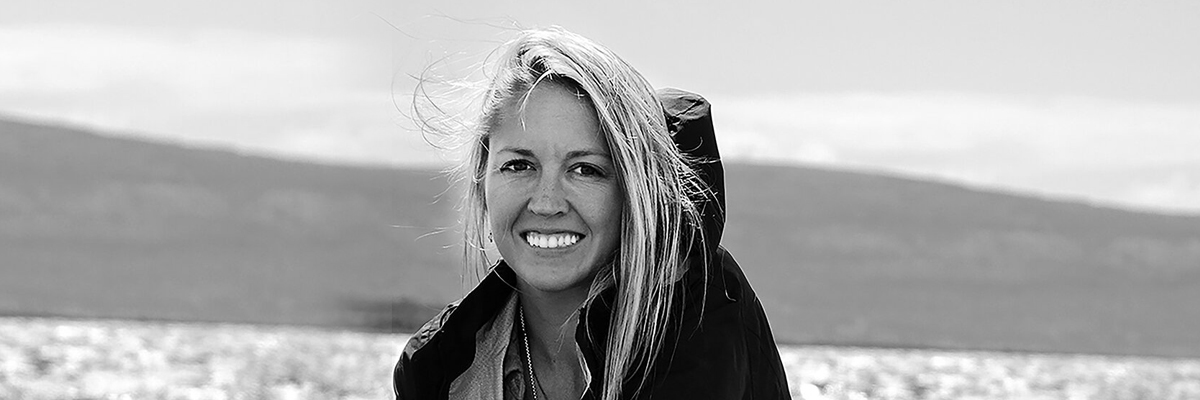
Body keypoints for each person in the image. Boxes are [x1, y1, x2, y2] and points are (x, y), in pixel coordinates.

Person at [393, 27, 789, 400]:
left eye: (586, 170)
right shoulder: (436, 370)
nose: (547, 203)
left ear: (636, 191)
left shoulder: (704, 314)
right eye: (519, 165)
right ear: (483, 179)